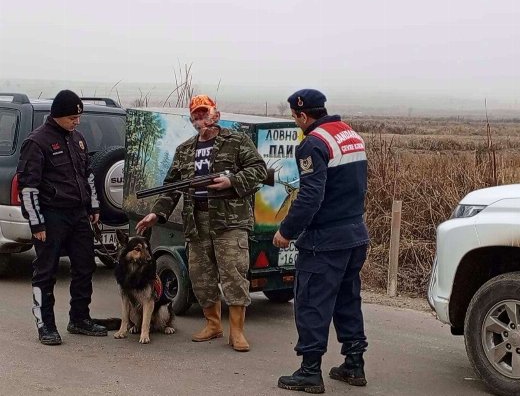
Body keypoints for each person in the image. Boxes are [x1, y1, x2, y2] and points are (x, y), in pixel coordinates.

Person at [135, 95, 267, 352]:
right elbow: (171, 188)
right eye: (195, 115)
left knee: (233, 275)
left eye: (204, 113)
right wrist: (156, 214)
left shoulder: (237, 141)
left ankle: (237, 332)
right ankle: (213, 324)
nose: (200, 119)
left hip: (230, 221)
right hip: (196, 221)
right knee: (201, 277)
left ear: (215, 114)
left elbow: (259, 170)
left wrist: (232, 182)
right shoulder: (184, 150)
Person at [274, 89, 370, 393]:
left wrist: (286, 230)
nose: (295, 123)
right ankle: (354, 364)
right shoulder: (348, 133)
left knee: (311, 302)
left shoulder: (312, 144)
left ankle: (309, 372)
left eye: (294, 118)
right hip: (355, 233)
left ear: (303, 115)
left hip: (325, 240)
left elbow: (311, 196)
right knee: (346, 300)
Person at [17, 90, 108, 345]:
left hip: (78, 214)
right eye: (72, 117)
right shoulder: (37, 142)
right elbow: (28, 186)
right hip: (51, 215)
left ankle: (79, 318)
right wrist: (36, 222)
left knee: (85, 265)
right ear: (57, 116)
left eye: (79, 117)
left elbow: (87, 175)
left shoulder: (77, 139)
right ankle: (45, 324)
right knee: (46, 271)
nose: (77, 122)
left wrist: (93, 207)